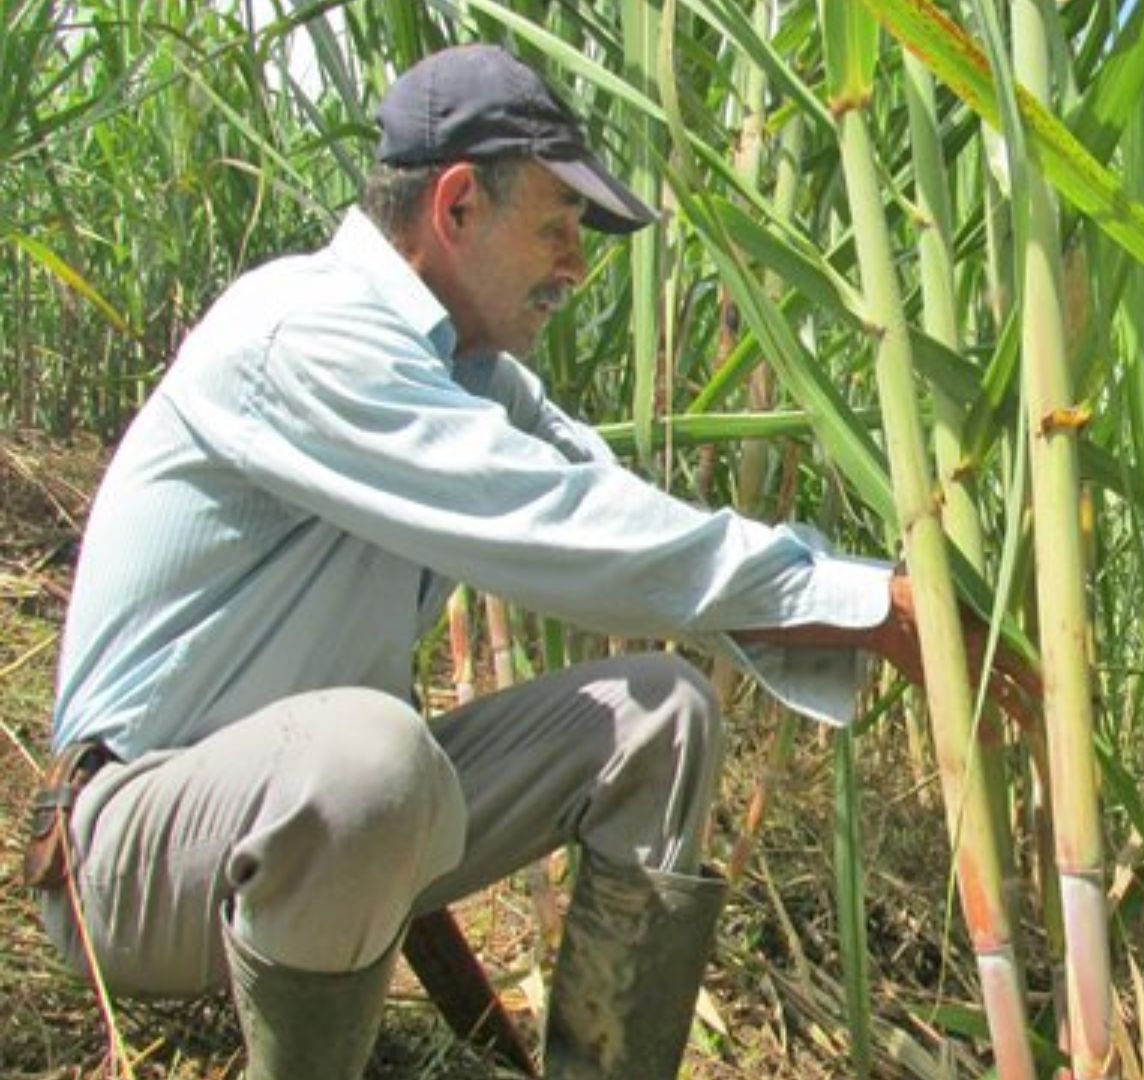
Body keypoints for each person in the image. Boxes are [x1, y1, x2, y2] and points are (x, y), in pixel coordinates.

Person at [26, 44, 1019, 1080]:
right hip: (136, 855)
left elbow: (625, 512)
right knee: (373, 756)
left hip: (320, 832)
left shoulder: (471, 372)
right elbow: (563, 522)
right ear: (457, 204)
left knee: (663, 716)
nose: (575, 266)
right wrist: (872, 609)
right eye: (556, 226)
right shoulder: (307, 334)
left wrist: (879, 603)